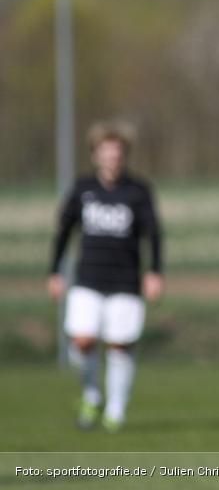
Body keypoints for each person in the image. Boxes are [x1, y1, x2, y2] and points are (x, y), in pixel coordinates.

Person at [47, 121, 164, 432]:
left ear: (125, 156)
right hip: (88, 279)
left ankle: (116, 410)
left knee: (119, 345)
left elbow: (153, 234)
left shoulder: (137, 191)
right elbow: (63, 230)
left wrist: (154, 272)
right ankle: (92, 393)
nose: (113, 158)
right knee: (83, 341)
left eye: (118, 153)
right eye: (106, 153)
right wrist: (55, 271)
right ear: (96, 155)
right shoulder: (83, 189)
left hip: (125, 281)